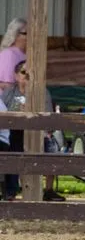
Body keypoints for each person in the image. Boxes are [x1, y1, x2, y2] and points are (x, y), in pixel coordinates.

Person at [2, 61, 64, 201]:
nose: (27, 76)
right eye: (24, 73)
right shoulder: (8, 92)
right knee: (11, 149)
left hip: (38, 133)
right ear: (16, 76)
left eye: (30, 73)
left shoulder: (42, 92)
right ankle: (10, 191)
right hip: (15, 132)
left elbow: (48, 116)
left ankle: (48, 190)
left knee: (51, 149)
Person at [0, 18, 27, 93]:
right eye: (26, 33)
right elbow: (6, 85)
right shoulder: (9, 54)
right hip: (7, 101)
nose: (31, 36)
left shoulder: (26, 55)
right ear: (16, 35)